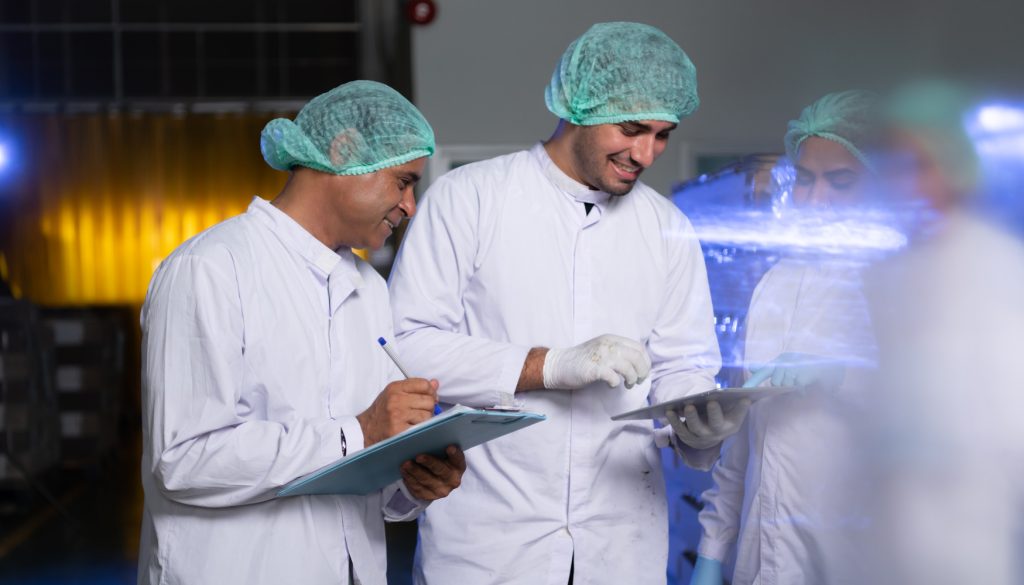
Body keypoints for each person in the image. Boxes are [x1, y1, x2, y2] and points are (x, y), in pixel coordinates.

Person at [388, 22, 747, 584]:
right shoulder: (471, 198)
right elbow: (407, 345)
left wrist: (698, 417)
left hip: (620, 537)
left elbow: (683, 363)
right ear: (578, 105)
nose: (646, 153)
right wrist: (549, 365)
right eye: (631, 129)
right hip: (489, 536)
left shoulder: (665, 227)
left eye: (662, 135)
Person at [138, 80, 466, 585]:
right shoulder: (212, 268)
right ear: (345, 152)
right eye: (403, 182)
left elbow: (364, 481)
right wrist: (361, 430)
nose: (410, 206)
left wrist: (414, 483)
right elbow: (182, 460)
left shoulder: (369, 290)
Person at [691, 90, 880, 585]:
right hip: (763, 560)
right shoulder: (775, 283)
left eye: (840, 182)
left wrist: (838, 372)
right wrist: (712, 554)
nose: (816, 200)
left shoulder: (906, 282)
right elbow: (744, 449)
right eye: (805, 180)